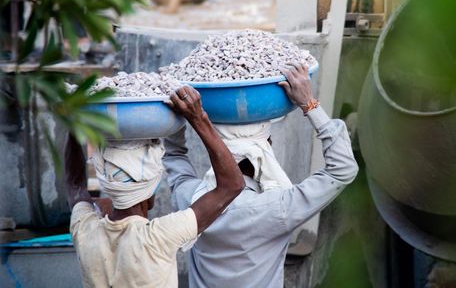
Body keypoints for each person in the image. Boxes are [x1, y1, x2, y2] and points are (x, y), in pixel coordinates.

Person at [164, 63, 359, 287]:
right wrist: (309, 103)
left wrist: (180, 113)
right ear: (267, 147)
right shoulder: (278, 209)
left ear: (214, 153)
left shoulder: (190, 201)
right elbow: (343, 169)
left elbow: (174, 155)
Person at [65, 86, 244, 288]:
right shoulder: (156, 238)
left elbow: (75, 186)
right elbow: (233, 185)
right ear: (149, 197)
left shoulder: (85, 229)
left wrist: (73, 125)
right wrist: (198, 118)